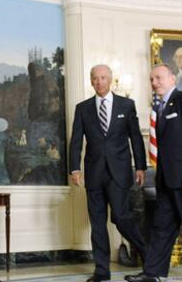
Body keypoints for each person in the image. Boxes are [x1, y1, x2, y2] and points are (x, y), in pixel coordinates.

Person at [124, 64, 182, 282]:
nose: (154, 82)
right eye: (151, 79)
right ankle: (153, 273)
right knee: (161, 229)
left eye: (159, 77)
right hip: (166, 181)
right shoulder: (159, 109)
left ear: (172, 79)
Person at [69, 65, 147, 282]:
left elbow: (136, 138)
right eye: (95, 78)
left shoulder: (126, 105)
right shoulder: (83, 108)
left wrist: (140, 166)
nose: (99, 81)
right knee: (97, 223)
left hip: (119, 172)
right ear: (91, 81)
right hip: (93, 174)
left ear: (110, 80)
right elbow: (75, 141)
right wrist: (74, 168)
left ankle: (148, 254)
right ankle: (102, 270)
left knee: (121, 217)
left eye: (103, 77)